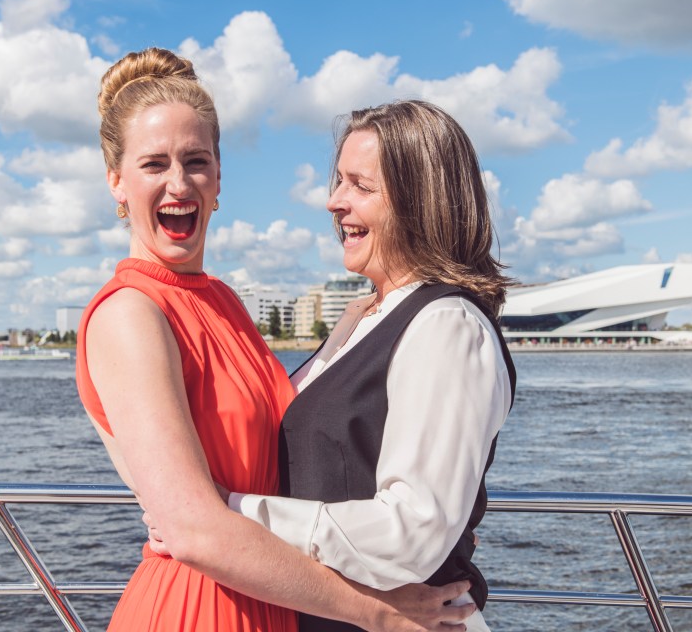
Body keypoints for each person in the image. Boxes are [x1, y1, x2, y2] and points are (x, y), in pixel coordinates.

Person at [75, 48, 475, 631]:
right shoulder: (130, 314)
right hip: (200, 609)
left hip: (278, 599)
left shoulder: (221, 300)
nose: (179, 183)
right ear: (116, 181)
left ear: (218, 179)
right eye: (153, 165)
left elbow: (261, 417)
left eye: (196, 161)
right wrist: (379, 614)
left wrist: (351, 333)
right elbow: (193, 531)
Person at [179, 100, 517, 632]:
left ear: (418, 202)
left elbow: (412, 528)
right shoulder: (367, 314)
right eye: (339, 182)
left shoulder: (447, 326)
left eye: (360, 186)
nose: (334, 201)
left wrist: (232, 514)